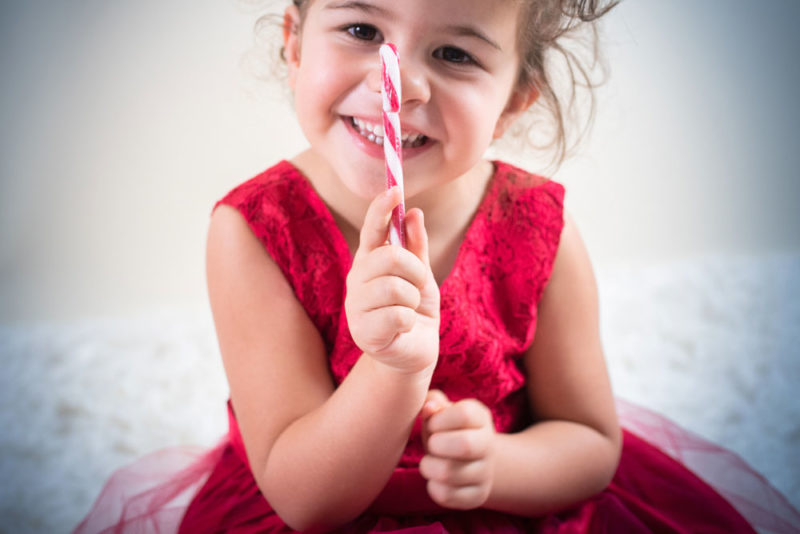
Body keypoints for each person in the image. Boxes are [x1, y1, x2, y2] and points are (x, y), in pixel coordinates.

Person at [75, 0, 800, 532]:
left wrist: (497, 468)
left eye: (454, 54)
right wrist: (392, 369)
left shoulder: (541, 228)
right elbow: (304, 499)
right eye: (362, 31)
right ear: (295, 42)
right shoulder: (253, 234)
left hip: (509, 504)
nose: (403, 84)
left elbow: (590, 444)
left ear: (516, 99)